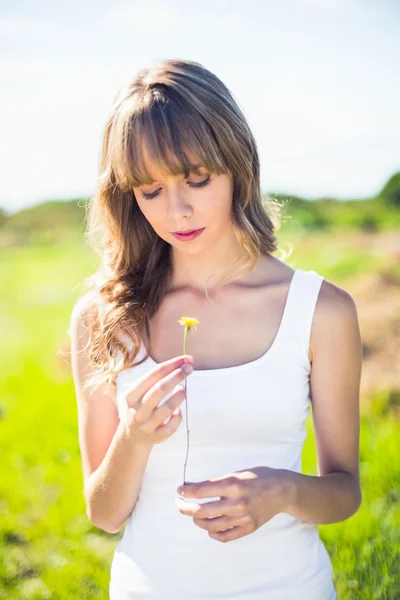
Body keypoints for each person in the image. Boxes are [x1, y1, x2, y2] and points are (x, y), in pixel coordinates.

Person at [69, 58, 362, 600]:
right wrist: (133, 438)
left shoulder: (321, 311)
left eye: (197, 179)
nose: (177, 210)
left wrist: (283, 491)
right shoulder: (104, 316)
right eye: (150, 191)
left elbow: (345, 493)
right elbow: (104, 514)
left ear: (236, 164)